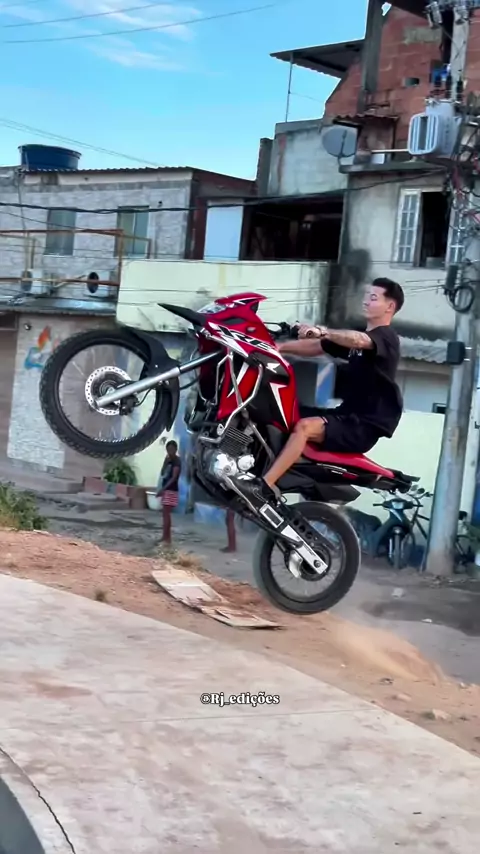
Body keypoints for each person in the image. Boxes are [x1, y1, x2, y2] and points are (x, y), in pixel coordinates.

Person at [235, 277, 404, 499]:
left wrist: (322, 331)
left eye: (373, 298)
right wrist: (279, 347)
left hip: (363, 425)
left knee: (305, 427)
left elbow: (358, 340)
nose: (366, 301)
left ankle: (264, 486)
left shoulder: (386, 338)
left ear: (390, 306)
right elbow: (317, 347)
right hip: (345, 415)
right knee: (282, 412)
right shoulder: (358, 340)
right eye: (366, 296)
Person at [156, 440, 182, 545]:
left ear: (176, 449)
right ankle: (165, 536)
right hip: (166, 489)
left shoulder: (177, 461)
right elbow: (163, 472)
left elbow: (174, 477)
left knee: (167, 514)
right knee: (165, 514)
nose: (170, 451)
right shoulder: (168, 460)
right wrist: (165, 462)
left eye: (172, 449)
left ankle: (168, 538)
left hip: (171, 490)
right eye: (168, 449)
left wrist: (163, 489)